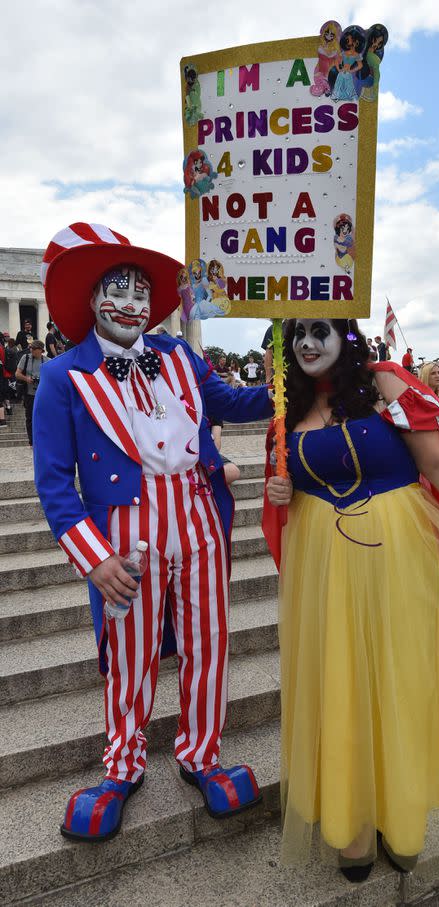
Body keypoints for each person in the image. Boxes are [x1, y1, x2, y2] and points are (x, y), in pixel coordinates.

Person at [264, 319, 439, 885]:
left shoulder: (386, 385)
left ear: (348, 335)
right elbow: (289, 484)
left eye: (320, 331)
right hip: (326, 569)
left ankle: (402, 814)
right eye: (297, 336)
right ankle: (353, 821)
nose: (307, 344)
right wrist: (281, 489)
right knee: (340, 684)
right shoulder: (285, 409)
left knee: (400, 681)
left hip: (398, 562)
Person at [33, 222, 274, 842]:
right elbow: (57, 484)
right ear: (92, 301)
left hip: (197, 515)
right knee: (131, 656)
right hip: (126, 530)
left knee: (209, 641)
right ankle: (122, 763)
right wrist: (93, 558)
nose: (133, 303)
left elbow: (234, 404)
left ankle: (201, 753)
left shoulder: (178, 356)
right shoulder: (63, 377)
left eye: (142, 291)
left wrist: (290, 376)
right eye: (118, 290)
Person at [15, 340, 47, 445]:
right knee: (29, 418)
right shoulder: (26, 358)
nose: (31, 350)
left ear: (41, 350)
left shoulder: (47, 361)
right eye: (31, 348)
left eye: (34, 348)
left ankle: (42, 439)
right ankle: (32, 441)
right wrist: (26, 378)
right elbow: (17, 374)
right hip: (29, 394)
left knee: (43, 418)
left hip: (42, 395)